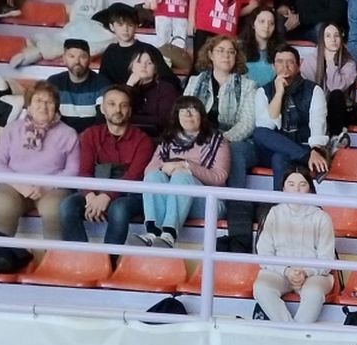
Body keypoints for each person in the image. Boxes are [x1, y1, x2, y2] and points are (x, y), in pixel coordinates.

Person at [186, 35, 261, 246]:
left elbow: (247, 124)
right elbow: (184, 114)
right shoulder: (195, 81)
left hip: (237, 141)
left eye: (231, 51)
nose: (226, 55)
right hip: (200, 138)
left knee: (234, 152)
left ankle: (237, 223)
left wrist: (220, 141)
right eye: (220, 50)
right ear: (210, 54)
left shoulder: (248, 85)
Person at [0, 82, 80, 246]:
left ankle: (51, 261)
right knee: (3, 205)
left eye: (49, 102)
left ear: (56, 107)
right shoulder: (12, 129)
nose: (43, 106)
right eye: (38, 101)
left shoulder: (68, 133)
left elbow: (73, 170)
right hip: (15, 185)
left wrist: (45, 186)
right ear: (28, 106)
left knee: (53, 211)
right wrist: (20, 185)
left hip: (52, 188)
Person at [62, 85, 153, 247]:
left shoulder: (143, 140)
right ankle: (81, 259)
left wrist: (106, 196)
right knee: (67, 207)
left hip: (129, 194)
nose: (118, 109)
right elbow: (84, 171)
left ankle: (109, 262)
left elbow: (133, 176)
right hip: (95, 187)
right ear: (103, 109)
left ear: (130, 111)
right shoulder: (91, 134)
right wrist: (90, 196)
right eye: (111, 104)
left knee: (118, 210)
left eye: (123, 105)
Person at [138, 97, 230, 249]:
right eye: (183, 111)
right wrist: (168, 167)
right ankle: (153, 232)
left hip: (209, 203)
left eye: (193, 110)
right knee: (154, 176)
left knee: (182, 175)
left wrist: (187, 166)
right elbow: (149, 170)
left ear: (202, 115)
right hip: (172, 200)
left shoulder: (218, 141)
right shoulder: (168, 141)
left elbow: (219, 177)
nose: (188, 114)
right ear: (177, 116)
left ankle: (169, 234)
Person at [253, 167, 338, 323]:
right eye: (291, 184)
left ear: (310, 189)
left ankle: (294, 333)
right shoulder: (274, 213)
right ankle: (291, 331)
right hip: (279, 271)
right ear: (283, 188)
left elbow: (326, 259)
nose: (296, 189)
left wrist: (305, 271)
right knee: (262, 288)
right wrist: (286, 270)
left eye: (302, 184)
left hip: (313, 274)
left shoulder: (322, 217)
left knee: (314, 292)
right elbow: (264, 252)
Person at [249, 45, 331, 190]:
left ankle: (280, 207)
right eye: (279, 62)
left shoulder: (313, 90)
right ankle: (305, 156)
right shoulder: (264, 91)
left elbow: (318, 125)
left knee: (280, 158)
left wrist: (316, 151)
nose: (284, 66)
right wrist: (279, 93)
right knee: (259, 132)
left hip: (302, 146)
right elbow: (266, 126)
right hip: (277, 151)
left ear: (299, 66)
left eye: (290, 62)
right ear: (273, 66)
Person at [301, 28, 357, 136]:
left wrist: (330, 62)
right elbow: (307, 91)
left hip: (341, 110)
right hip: (316, 109)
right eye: (328, 36)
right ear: (321, 40)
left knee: (336, 95)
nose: (333, 39)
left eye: (336, 35)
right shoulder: (311, 60)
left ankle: (335, 138)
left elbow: (335, 87)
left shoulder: (349, 63)